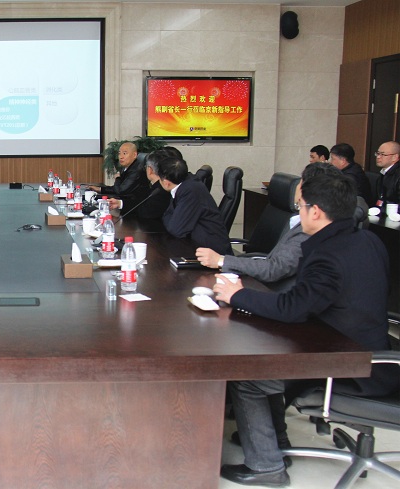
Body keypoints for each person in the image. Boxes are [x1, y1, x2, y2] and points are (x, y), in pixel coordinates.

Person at [214, 168, 399, 488]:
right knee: (267, 351)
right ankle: (272, 440)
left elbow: (293, 308)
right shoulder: (367, 238)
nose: (298, 214)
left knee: (249, 375)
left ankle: (266, 466)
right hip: (367, 348)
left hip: (350, 364)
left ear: (316, 212)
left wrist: (236, 295)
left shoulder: (326, 253)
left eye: (300, 207)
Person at [158, 156, 232, 255]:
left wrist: (170, 219)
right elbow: (168, 217)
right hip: (197, 245)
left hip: (212, 253)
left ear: (166, 183)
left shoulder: (190, 191)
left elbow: (176, 229)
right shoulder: (187, 183)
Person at [109, 150, 171, 220]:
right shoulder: (158, 186)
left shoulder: (160, 191)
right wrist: (120, 203)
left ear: (150, 170)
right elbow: (140, 203)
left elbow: (145, 211)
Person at [375, 140, 400, 206]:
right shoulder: (383, 173)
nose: (378, 157)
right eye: (378, 153)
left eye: (383, 154)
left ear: (395, 157)